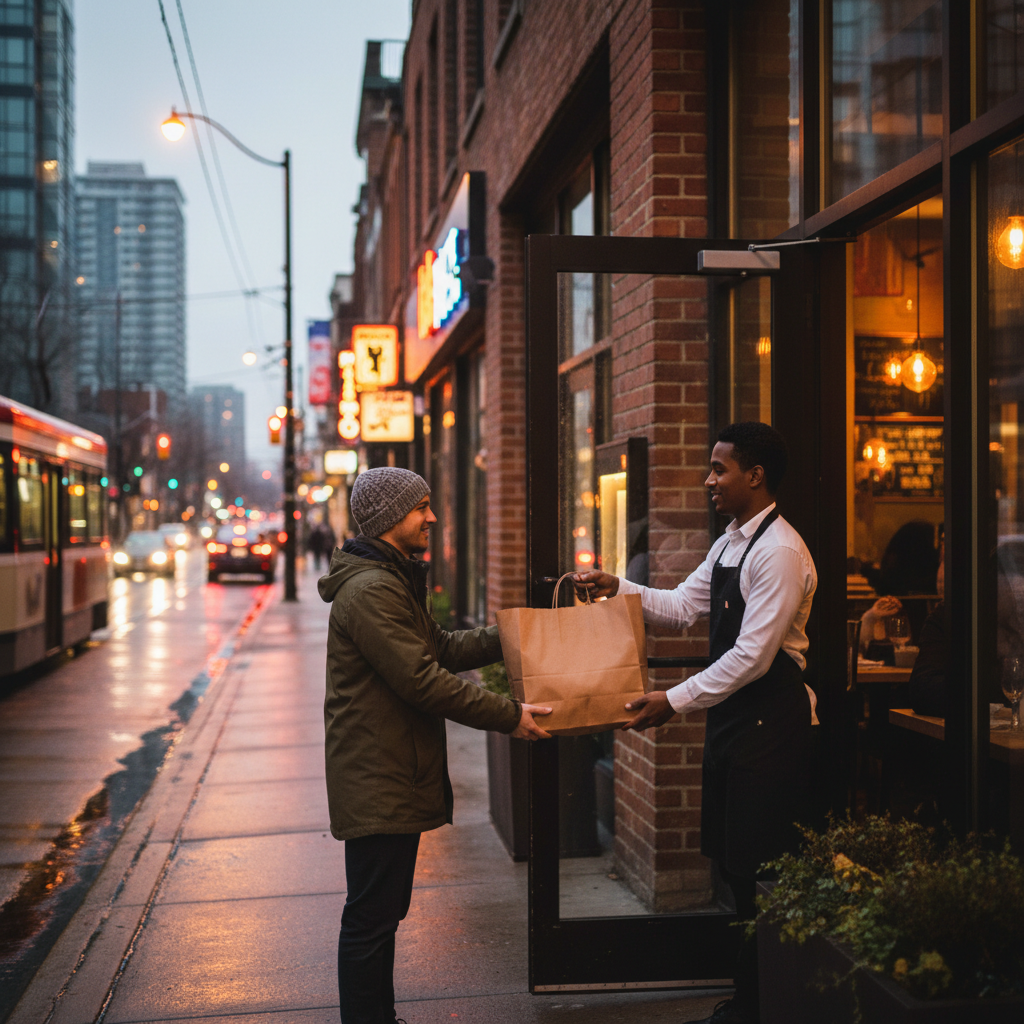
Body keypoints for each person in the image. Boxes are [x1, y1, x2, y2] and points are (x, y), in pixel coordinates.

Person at [575, 422, 817, 1024]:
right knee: (734, 868)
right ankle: (748, 1000)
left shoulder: (781, 551)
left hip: (774, 730)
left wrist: (672, 699)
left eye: (720, 469)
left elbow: (753, 657)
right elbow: (683, 608)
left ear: (755, 475)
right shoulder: (730, 543)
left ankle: (766, 1006)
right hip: (735, 727)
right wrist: (619, 589)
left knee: (763, 871)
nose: (709, 480)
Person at [318, 467, 551, 1024]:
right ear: (390, 517)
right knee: (372, 916)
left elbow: (441, 648)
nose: (433, 516)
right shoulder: (373, 588)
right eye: (421, 507)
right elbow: (422, 680)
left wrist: (522, 631)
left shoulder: (390, 578)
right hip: (378, 773)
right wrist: (509, 716)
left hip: (389, 768)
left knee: (381, 912)